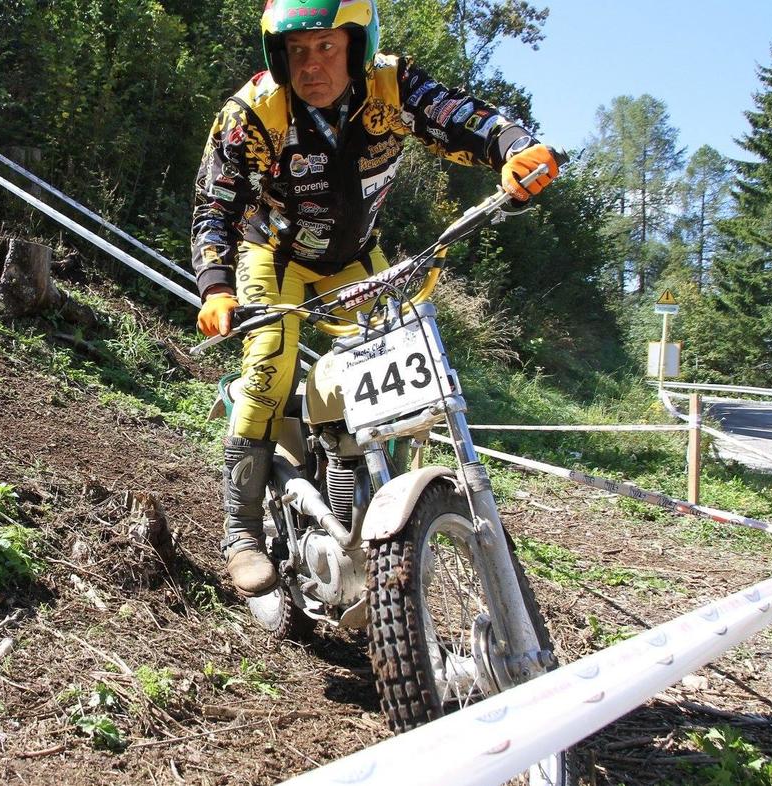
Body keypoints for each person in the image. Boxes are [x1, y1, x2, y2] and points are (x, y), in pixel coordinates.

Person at [191, 0, 560, 596]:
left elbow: (456, 115)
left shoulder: (392, 85)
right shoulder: (254, 111)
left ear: (357, 45)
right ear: (278, 56)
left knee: (396, 360)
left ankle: (361, 489)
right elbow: (215, 203)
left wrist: (514, 146)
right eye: (297, 51)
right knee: (269, 365)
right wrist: (215, 287)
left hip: (358, 259)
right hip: (273, 254)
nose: (311, 65)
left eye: (327, 47)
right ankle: (242, 530)